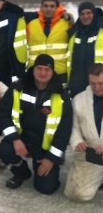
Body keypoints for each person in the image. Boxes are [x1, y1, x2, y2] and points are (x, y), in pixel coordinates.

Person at [0, 54, 72, 194]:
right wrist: (15, 139)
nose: (43, 73)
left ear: (52, 72)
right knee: (4, 150)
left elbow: (64, 130)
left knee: (46, 188)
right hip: (22, 139)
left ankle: (50, 168)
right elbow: (3, 113)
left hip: (44, 146)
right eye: (39, 68)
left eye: (47, 70)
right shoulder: (17, 87)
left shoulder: (61, 95)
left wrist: (51, 159)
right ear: (33, 69)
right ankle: (21, 172)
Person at [65, 63, 103, 201]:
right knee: (76, 194)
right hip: (91, 155)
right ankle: (97, 177)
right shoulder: (79, 100)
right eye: (93, 83)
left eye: (101, 83)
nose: (97, 88)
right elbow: (74, 127)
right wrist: (78, 141)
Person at [26, 0, 71, 85]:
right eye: (45, 6)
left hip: (59, 73)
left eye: (52, 6)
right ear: (41, 7)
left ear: (57, 8)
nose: (48, 9)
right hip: (35, 73)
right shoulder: (30, 24)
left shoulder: (67, 24)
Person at [67, 1, 103, 98]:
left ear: (94, 13)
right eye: (82, 14)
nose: (85, 16)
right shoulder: (74, 34)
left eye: (89, 13)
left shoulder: (102, 30)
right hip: (77, 87)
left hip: (99, 86)